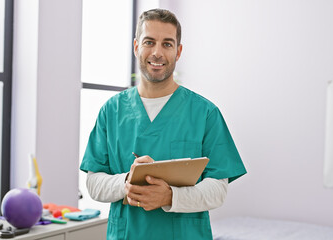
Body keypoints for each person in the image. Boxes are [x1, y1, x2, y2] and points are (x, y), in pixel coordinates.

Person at [80, 8, 246, 240]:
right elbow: (93, 182)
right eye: (150, 42)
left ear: (178, 52)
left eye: (167, 44)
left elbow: (218, 190)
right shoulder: (112, 111)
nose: (157, 52)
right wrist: (127, 181)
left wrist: (170, 197)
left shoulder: (205, 113)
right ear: (137, 46)